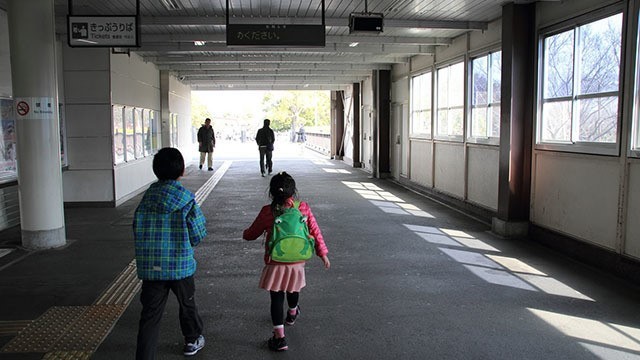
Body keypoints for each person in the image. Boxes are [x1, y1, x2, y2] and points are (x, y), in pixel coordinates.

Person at [242, 172, 330, 351]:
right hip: (297, 262)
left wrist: (245, 234)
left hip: (275, 262)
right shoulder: (303, 208)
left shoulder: (268, 211)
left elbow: (252, 233)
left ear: (272, 193)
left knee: (276, 298)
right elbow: (315, 230)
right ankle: (292, 313)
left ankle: (279, 338)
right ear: (293, 191)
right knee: (293, 289)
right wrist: (322, 254)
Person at [133, 147, 207, 359]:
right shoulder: (186, 199)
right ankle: (192, 340)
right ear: (181, 171)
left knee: (150, 316)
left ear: (156, 171)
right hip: (181, 266)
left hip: (152, 269)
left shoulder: (146, 199)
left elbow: (136, 229)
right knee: (187, 304)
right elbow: (198, 233)